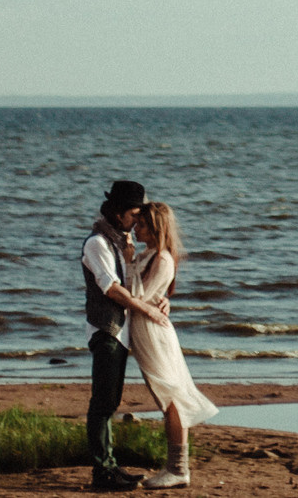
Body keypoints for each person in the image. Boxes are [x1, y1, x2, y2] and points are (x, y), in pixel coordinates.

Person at [126, 200, 219, 489]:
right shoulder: (150, 254)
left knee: (170, 399)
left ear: (155, 228)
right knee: (167, 398)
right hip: (145, 330)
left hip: (154, 334)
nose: (135, 228)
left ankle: (178, 469)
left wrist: (129, 260)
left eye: (141, 224)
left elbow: (137, 295)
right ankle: (177, 467)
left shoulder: (162, 259)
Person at [80, 180, 167, 492]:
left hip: (120, 333)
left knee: (110, 402)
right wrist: (147, 310)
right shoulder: (97, 244)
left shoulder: (120, 241)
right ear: (118, 213)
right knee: (102, 403)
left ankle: (110, 467)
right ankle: (101, 471)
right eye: (134, 213)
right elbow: (112, 290)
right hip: (106, 331)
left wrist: (160, 299)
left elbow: (132, 284)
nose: (137, 219)